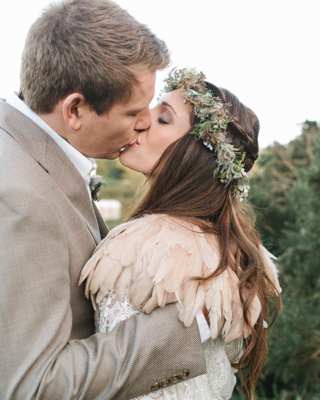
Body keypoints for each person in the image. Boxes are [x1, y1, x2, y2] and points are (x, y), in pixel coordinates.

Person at [0, 1, 208, 399]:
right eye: (133, 112)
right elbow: (36, 388)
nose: (144, 123)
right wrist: (186, 327)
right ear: (75, 109)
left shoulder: (9, 144)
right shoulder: (7, 200)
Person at [79, 68, 282, 400]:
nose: (142, 119)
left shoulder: (151, 246)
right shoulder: (228, 246)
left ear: (194, 155)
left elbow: (114, 373)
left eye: (163, 119)